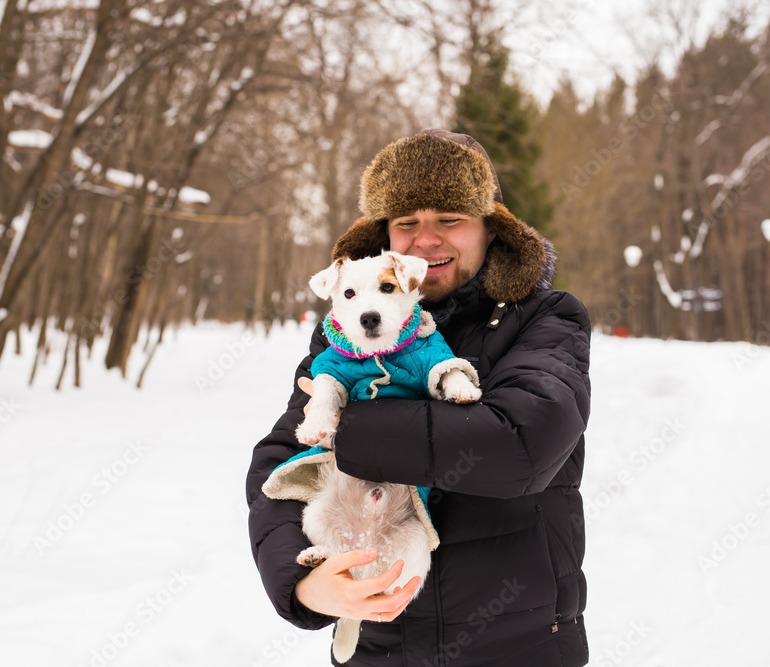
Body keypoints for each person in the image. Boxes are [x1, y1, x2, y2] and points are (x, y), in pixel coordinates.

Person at [246, 128, 592, 666]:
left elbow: (521, 446)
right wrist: (302, 580)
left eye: (450, 219)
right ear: (384, 235)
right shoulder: (348, 335)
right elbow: (282, 464)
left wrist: (346, 424)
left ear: (490, 228)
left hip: (516, 647)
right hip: (380, 646)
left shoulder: (545, 319)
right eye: (406, 223)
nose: (425, 239)